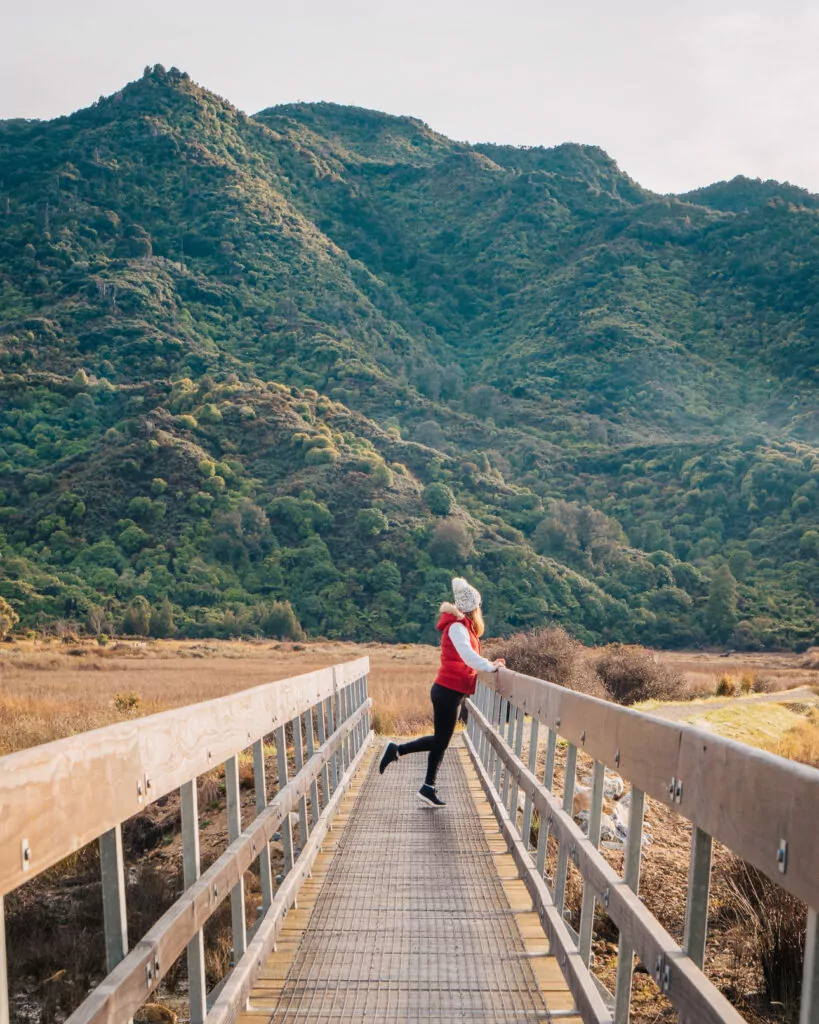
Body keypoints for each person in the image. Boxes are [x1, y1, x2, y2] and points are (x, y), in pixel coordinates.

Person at [379, 577, 505, 807]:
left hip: (451, 691)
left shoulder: (463, 627)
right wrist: (490, 667)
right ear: (473, 607)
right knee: (441, 740)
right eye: (479, 605)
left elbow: (467, 657)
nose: (480, 609)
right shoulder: (457, 628)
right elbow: (467, 656)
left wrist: (489, 663)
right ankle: (396, 749)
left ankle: (428, 787)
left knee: (441, 740)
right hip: (447, 691)